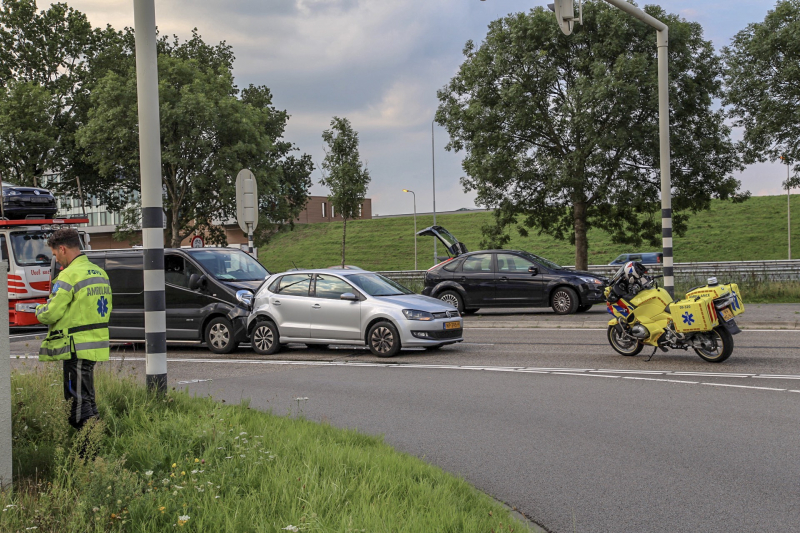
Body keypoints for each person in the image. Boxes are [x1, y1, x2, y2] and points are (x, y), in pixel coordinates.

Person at [36, 229, 112, 430]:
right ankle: (94, 446)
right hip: (95, 344)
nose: (57, 260)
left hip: (76, 347)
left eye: (55, 254)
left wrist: (38, 310)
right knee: (88, 402)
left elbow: (50, 313)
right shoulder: (99, 272)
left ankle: (89, 447)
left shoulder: (69, 275)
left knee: (78, 409)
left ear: (62, 249)